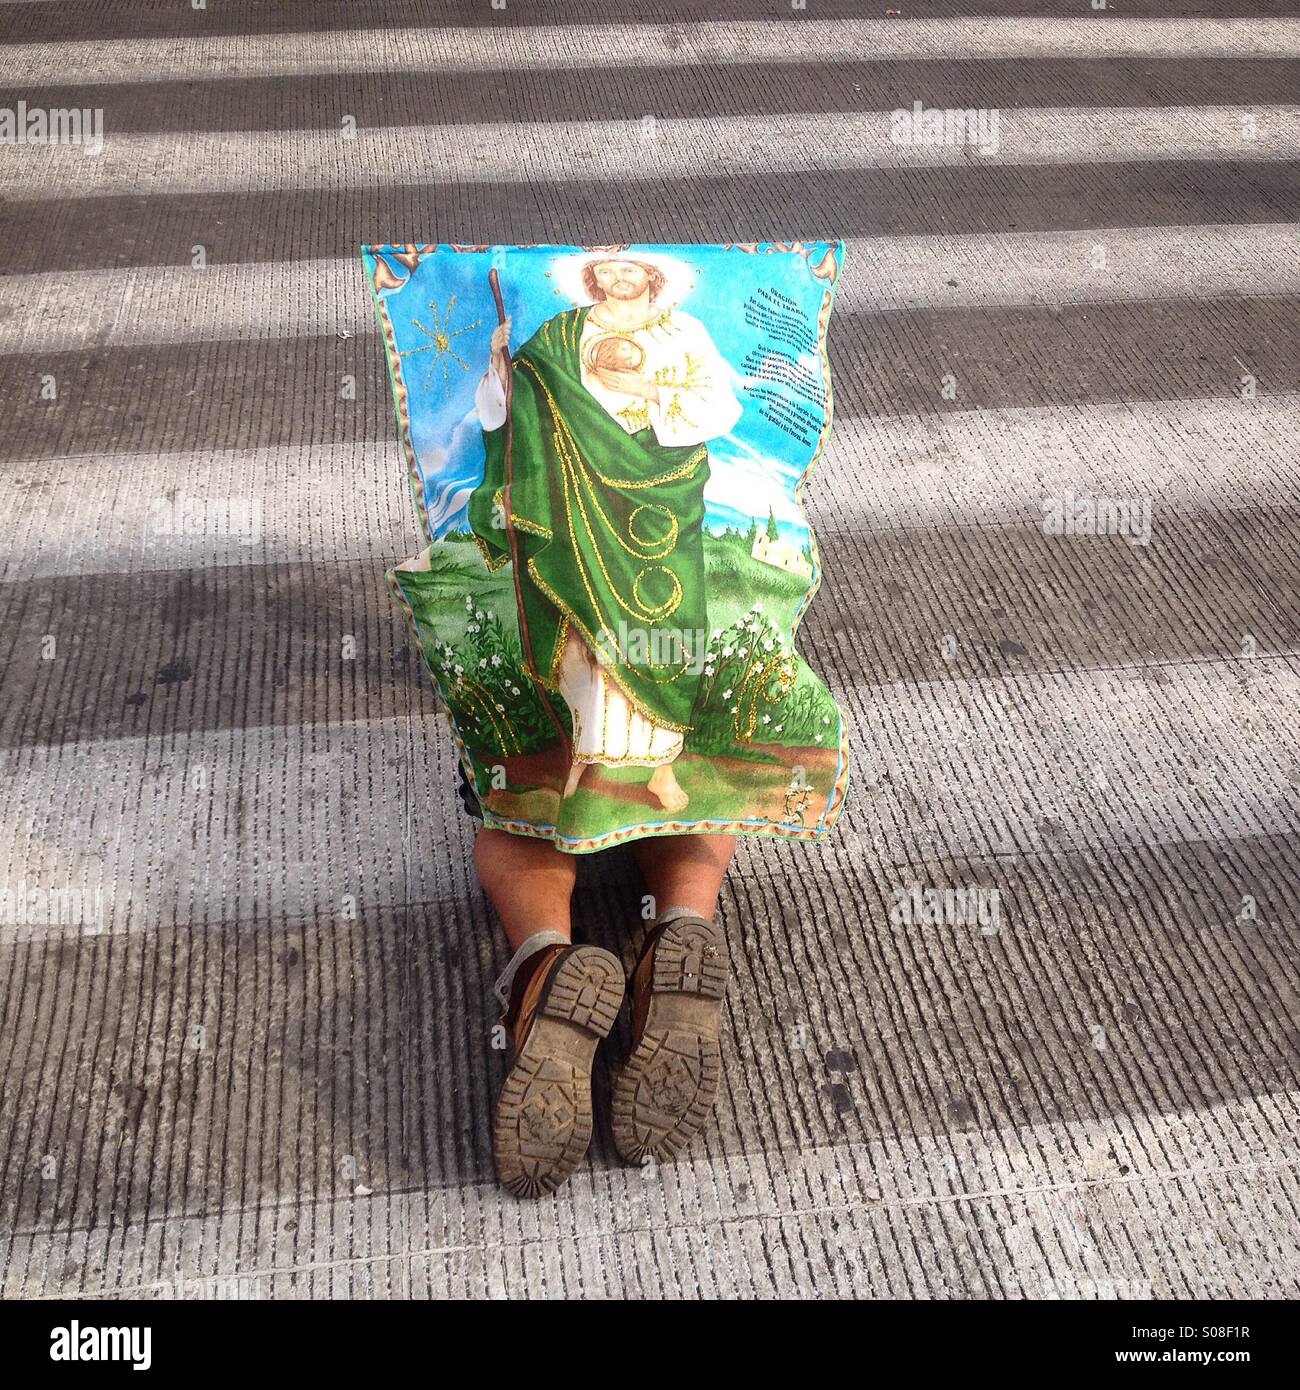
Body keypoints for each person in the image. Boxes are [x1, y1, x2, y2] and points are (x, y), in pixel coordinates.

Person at [467, 256, 743, 1196]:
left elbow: (714, 408)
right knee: (647, 699)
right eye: (608, 275)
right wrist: (509, 367)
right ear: (594, 281)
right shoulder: (554, 338)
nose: (621, 286)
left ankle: (548, 963)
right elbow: (506, 410)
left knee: (514, 804)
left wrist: (640, 389)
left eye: (635, 277)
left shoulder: (675, 338)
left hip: (649, 507)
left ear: (653, 287)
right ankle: (677, 934)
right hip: (602, 516)